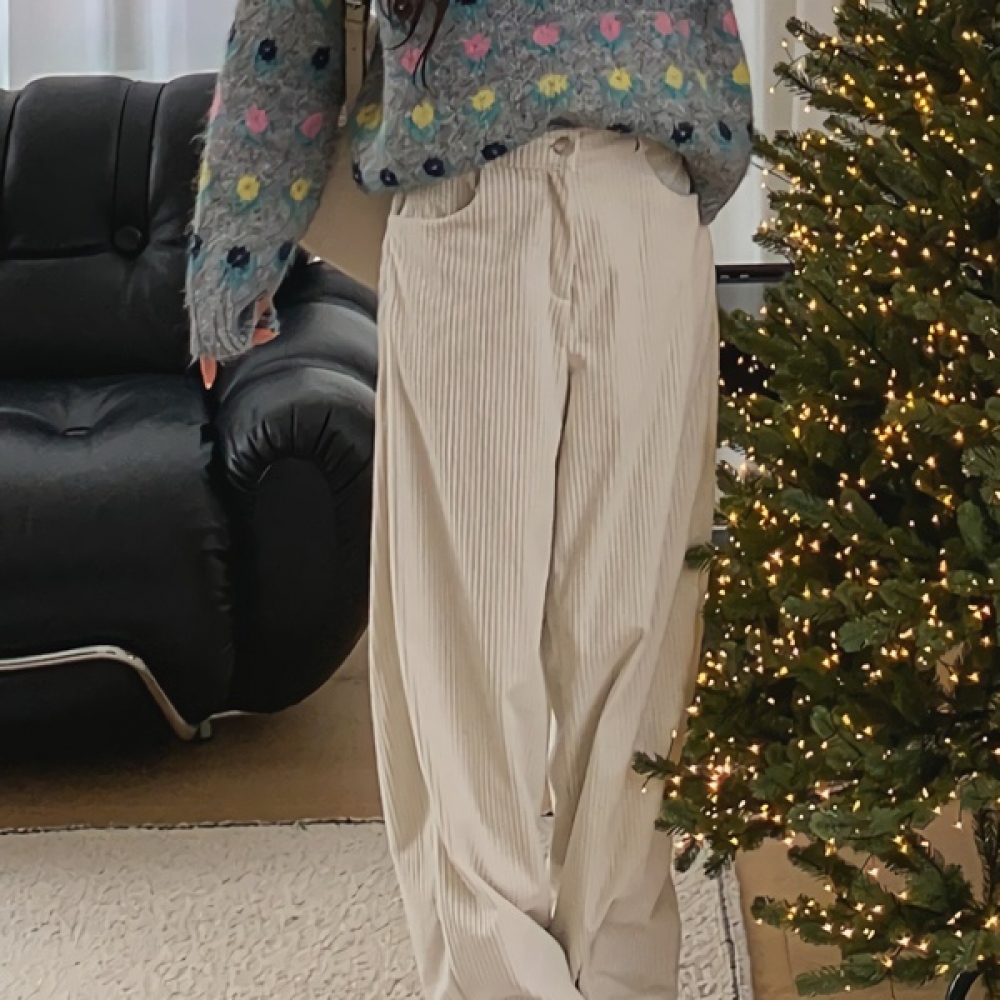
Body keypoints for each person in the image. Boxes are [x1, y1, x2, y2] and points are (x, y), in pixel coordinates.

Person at [188, 2, 753, 997]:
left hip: (628, 190)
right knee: (494, 651)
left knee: (608, 647)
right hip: (502, 206)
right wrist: (237, 247)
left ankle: (602, 980)